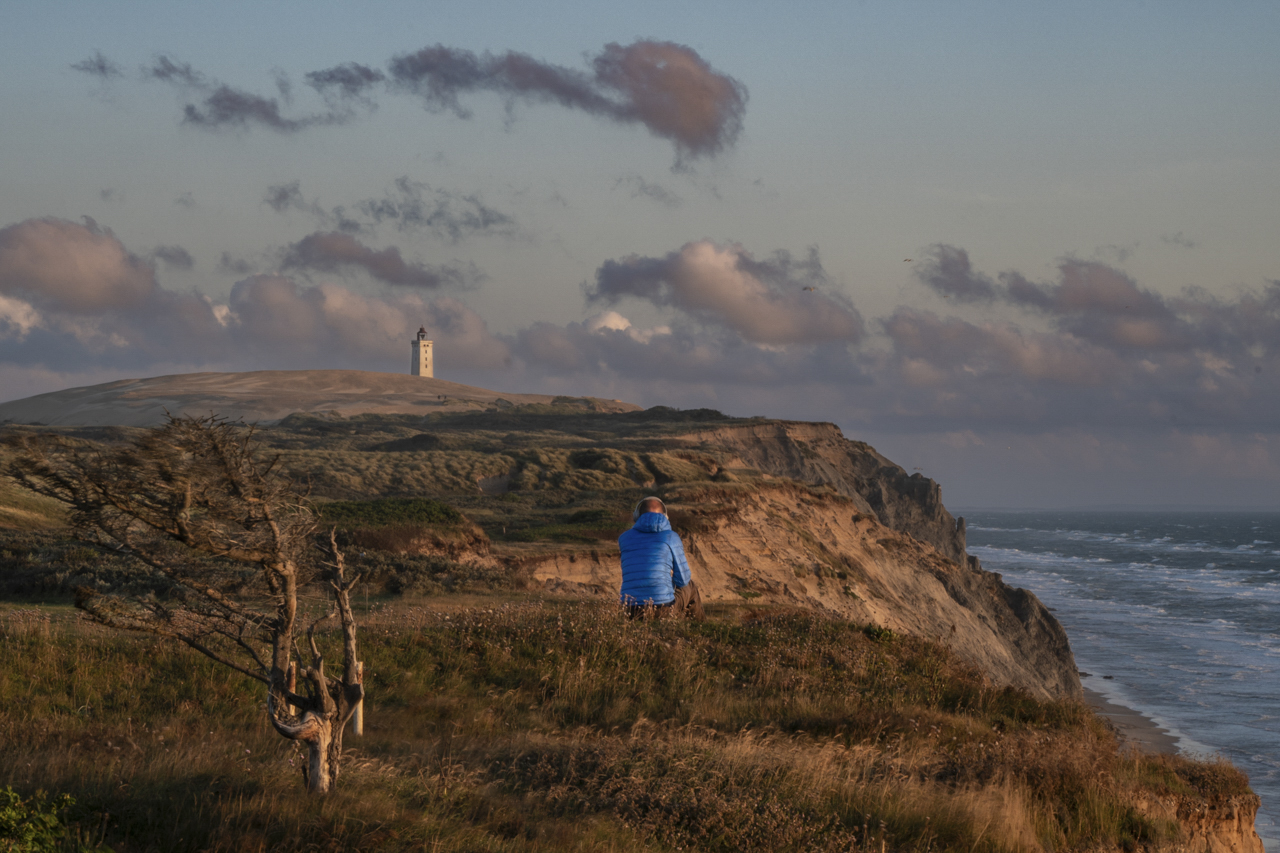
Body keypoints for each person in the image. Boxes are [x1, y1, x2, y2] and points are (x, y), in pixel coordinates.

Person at [618, 496, 704, 620]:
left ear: (637, 516)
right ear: (665, 516)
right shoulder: (671, 537)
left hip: (630, 610)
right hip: (661, 610)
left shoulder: (624, 538)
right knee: (690, 586)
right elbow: (683, 580)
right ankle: (700, 628)